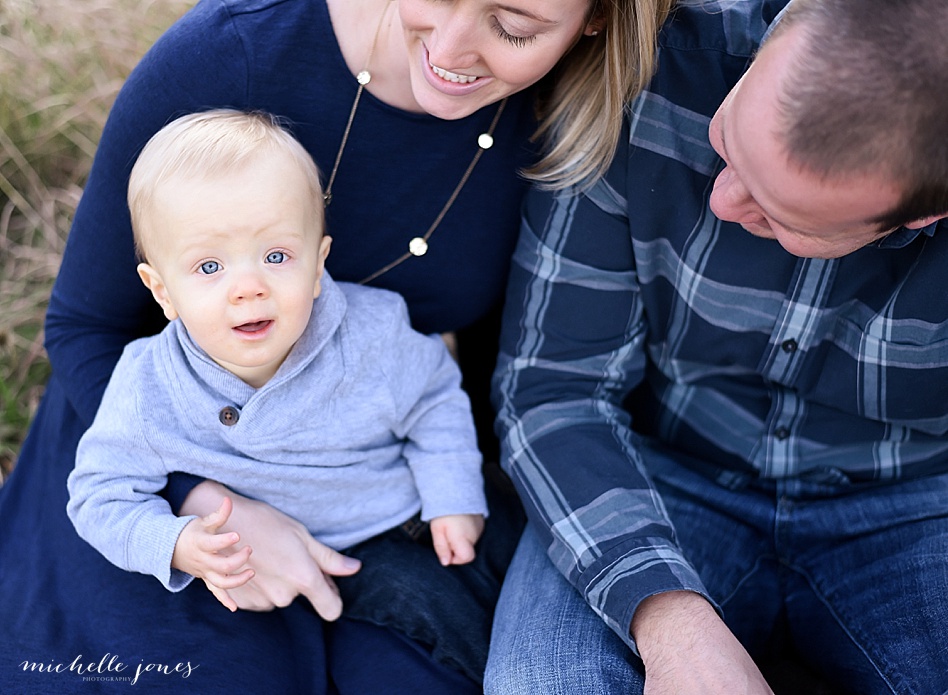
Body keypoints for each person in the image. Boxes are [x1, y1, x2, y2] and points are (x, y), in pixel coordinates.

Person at [0, 0, 673, 692]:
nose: (451, 46)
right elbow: (85, 327)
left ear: (595, 19)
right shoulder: (232, 53)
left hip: (363, 473)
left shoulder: (572, 114)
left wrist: (455, 493)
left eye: (514, 27)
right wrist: (200, 506)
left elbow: (481, 375)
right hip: (163, 440)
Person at [487, 0, 948, 693]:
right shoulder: (659, 62)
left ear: (921, 216)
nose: (725, 201)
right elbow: (553, 386)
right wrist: (668, 617)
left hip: (918, 503)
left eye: (780, 215)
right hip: (660, 474)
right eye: (727, 142)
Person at [67, 108, 493, 680]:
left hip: (406, 507)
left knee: (499, 580)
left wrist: (453, 492)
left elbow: (435, 398)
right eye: (210, 266)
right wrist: (174, 542)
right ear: (162, 291)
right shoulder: (149, 385)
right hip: (320, 563)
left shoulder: (370, 334)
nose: (249, 288)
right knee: (439, 627)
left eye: (276, 256)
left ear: (317, 265)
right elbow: (99, 494)